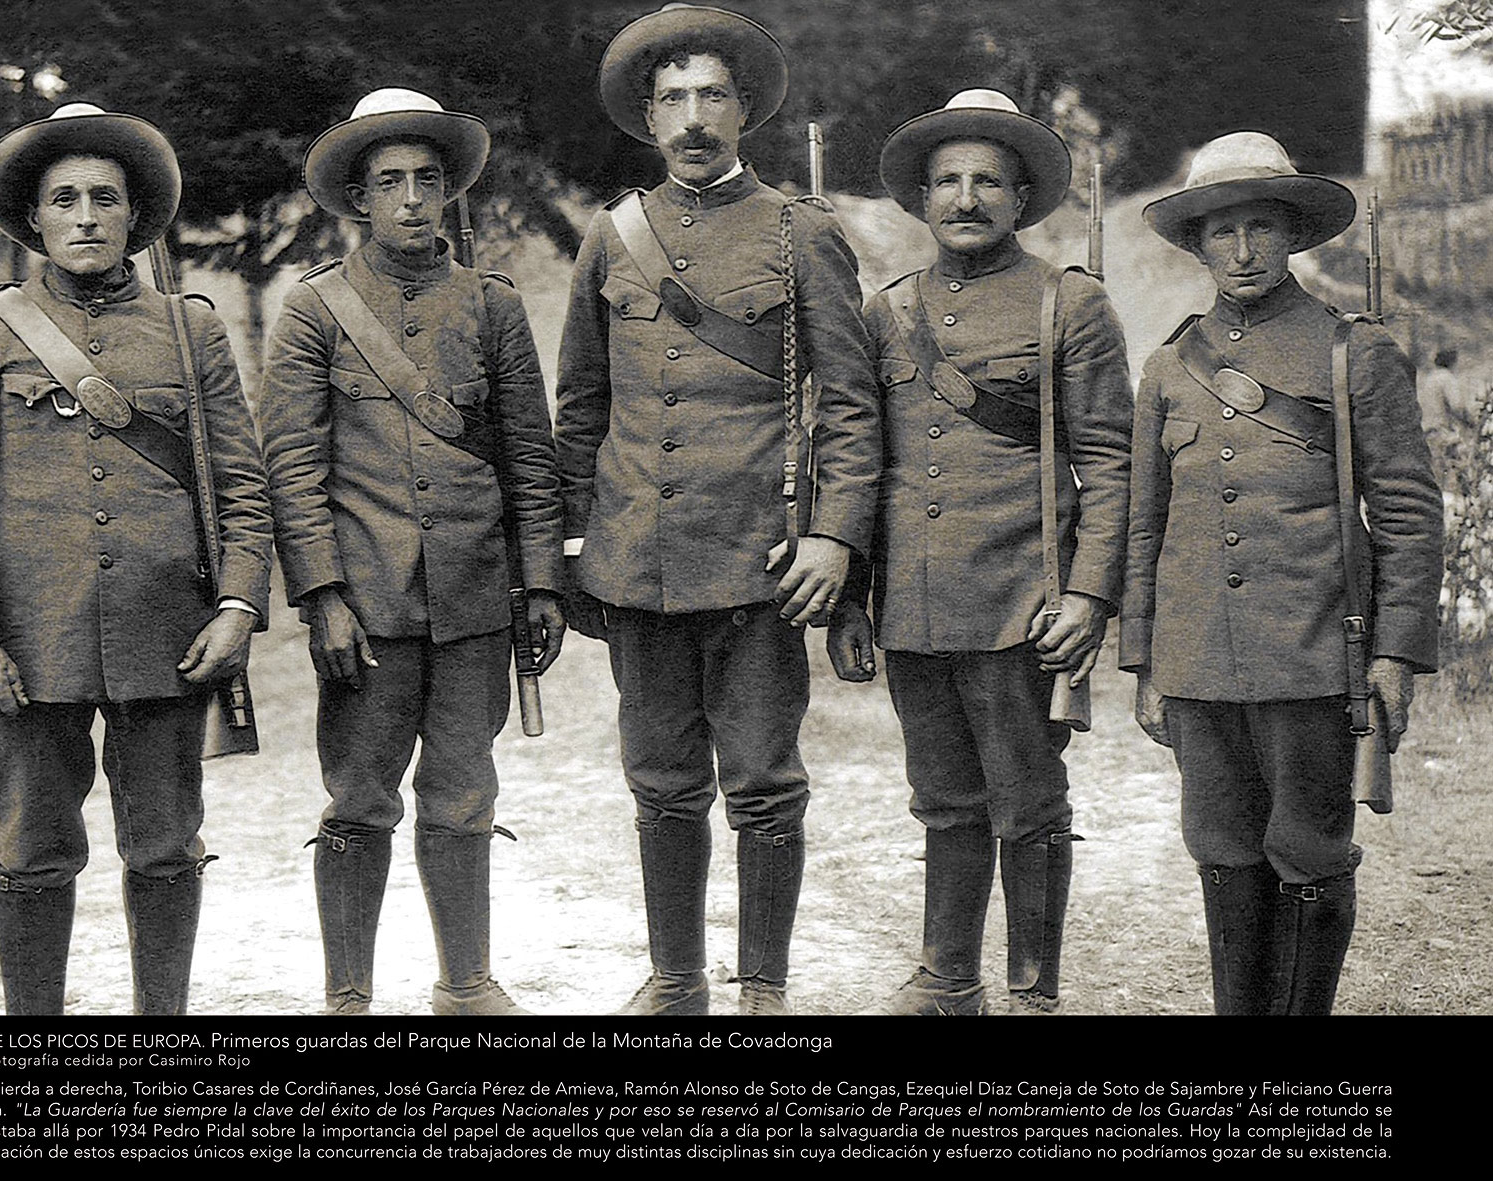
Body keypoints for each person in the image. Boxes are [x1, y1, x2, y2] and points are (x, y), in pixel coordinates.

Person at [555, 4, 881, 1015]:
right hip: (636, 560)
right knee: (659, 781)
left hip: (758, 560)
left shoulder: (802, 233)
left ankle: (765, 989)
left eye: (712, 96)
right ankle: (678, 976)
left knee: (763, 781)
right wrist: (575, 537)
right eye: (673, 99)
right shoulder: (611, 240)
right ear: (647, 118)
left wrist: (833, 534)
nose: (693, 118)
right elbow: (581, 405)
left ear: (743, 112)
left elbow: (850, 400)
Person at [0, 103, 273, 1015]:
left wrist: (237, 606)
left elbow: (242, 482)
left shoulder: (191, 329)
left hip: (170, 638)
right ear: (33, 219)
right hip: (33, 648)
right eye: (64, 198)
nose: (84, 216)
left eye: (104, 198)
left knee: (165, 848)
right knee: (34, 851)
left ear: (133, 215)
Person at [259, 89, 564, 1016]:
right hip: (369, 606)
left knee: (465, 794)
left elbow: (529, 454)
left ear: (449, 195)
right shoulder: (313, 311)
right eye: (388, 183)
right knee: (357, 801)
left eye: (427, 181)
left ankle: (465, 983)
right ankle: (346, 995)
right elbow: (291, 467)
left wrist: (541, 581)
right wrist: (322, 596)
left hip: (477, 600)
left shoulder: (492, 305)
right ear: (357, 199)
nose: (410, 200)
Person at [1125, 131, 1443, 1014]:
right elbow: (1145, 523)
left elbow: (1410, 515)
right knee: (1221, 850)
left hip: (1314, 657)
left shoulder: (1353, 351)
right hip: (1196, 661)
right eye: (1221, 231)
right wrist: (1143, 659)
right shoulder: (1166, 367)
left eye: (1260, 227)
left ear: (1292, 235)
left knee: (1308, 852)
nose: (1242, 249)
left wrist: (1394, 655)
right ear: (1197, 244)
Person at [833, 90, 1133, 1015]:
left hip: (1023, 599)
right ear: (923, 199)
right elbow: (861, 463)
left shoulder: (1067, 302)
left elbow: (1111, 463)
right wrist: (853, 598)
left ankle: (1034, 988)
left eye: (987, 182)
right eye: (948, 181)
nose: (966, 199)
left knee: (1029, 800)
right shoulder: (886, 314)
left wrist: (1088, 595)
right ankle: (948, 976)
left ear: (1021, 196)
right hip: (917, 606)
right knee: (943, 796)